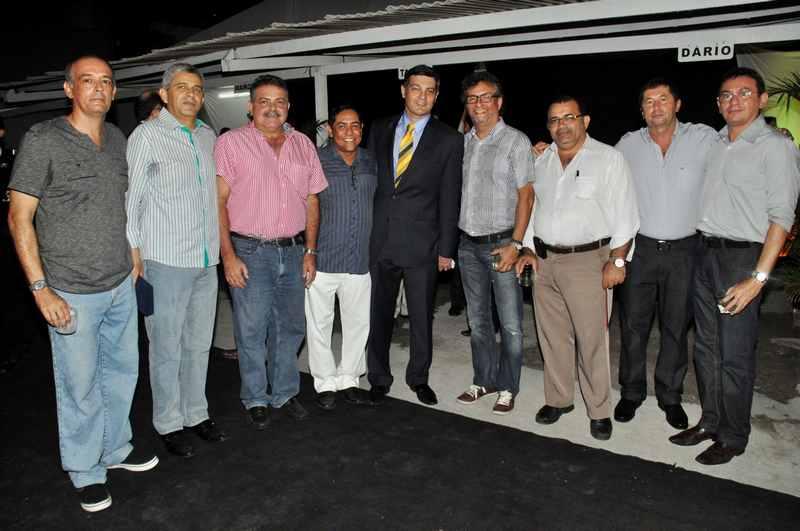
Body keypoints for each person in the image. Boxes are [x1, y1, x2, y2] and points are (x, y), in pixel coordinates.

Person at [8, 55, 157, 513]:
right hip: (70, 290)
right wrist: (40, 289)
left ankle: (114, 449)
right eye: (87, 81)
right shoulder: (43, 139)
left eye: (106, 82)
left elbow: (119, 206)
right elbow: (19, 217)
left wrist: (133, 255)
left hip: (119, 282)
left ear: (114, 92)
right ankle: (85, 469)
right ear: (69, 89)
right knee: (80, 386)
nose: (98, 88)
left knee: (122, 374)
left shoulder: (116, 139)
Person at [669, 67, 800, 465]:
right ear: (718, 103)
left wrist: (757, 278)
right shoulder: (715, 142)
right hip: (704, 252)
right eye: (726, 95)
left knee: (735, 355)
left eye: (744, 93)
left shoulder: (775, 147)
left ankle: (734, 435)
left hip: (743, 258)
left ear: (762, 100)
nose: (734, 101)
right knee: (706, 348)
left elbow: (782, 217)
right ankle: (710, 422)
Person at [517, 95, 639, 440]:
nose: (562, 126)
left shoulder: (609, 159)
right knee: (552, 336)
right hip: (545, 261)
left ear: (585, 121)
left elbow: (627, 214)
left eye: (569, 117)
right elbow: (534, 209)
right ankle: (559, 399)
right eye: (555, 120)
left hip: (589, 262)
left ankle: (599, 410)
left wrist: (617, 260)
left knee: (591, 340)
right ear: (548, 127)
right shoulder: (541, 161)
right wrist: (527, 248)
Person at [215, 74, 327, 429]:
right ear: (251, 107)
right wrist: (228, 255)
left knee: (290, 327)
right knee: (251, 329)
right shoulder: (231, 143)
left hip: (293, 251)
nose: (272, 108)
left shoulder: (303, 144)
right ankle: (255, 396)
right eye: (264, 101)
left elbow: (312, 200)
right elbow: (218, 202)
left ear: (288, 107)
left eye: (279, 102)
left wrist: (310, 250)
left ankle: (284, 392)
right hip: (250, 251)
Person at [127, 63, 226, 459]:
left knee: (199, 344)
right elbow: (132, 200)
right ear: (165, 94)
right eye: (182, 87)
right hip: (164, 261)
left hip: (206, 260)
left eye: (197, 89)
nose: (191, 94)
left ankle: (196, 413)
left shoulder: (207, 136)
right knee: (166, 347)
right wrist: (134, 255)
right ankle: (168, 423)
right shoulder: (147, 135)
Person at [613, 78, 717, 430]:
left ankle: (670, 396)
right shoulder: (628, 144)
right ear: (641, 109)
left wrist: (776, 137)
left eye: (662, 99)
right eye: (648, 101)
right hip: (640, 249)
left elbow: (737, 146)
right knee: (633, 325)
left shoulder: (703, 138)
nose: (656, 106)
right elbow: (598, 165)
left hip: (685, 251)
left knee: (676, 327)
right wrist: (547, 149)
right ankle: (631, 392)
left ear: (677, 104)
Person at [366, 64, 463, 406]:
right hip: (380, 240)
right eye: (416, 88)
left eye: (429, 91)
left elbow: (450, 196)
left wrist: (446, 248)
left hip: (423, 244)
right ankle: (378, 377)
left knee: (422, 317)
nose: (422, 96)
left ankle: (419, 378)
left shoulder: (449, 139)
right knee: (378, 314)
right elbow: (370, 183)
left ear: (436, 96)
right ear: (403, 90)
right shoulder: (379, 129)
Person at [455, 70, 534, 415]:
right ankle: (483, 379)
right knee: (478, 321)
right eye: (472, 99)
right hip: (467, 245)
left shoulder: (516, 141)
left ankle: (508, 386)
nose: (479, 104)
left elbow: (527, 196)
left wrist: (516, 243)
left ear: (499, 102)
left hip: (502, 244)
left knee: (511, 324)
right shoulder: (464, 143)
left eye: (486, 97)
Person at [305, 105, 376, 410]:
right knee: (319, 324)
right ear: (331, 129)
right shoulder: (317, 160)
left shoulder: (371, 161)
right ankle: (324, 381)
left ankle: (349, 378)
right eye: (342, 126)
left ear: (362, 129)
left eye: (355, 125)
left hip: (359, 258)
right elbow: (306, 205)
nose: (349, 132)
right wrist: (308, 252)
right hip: (323, 258)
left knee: (358, 324)